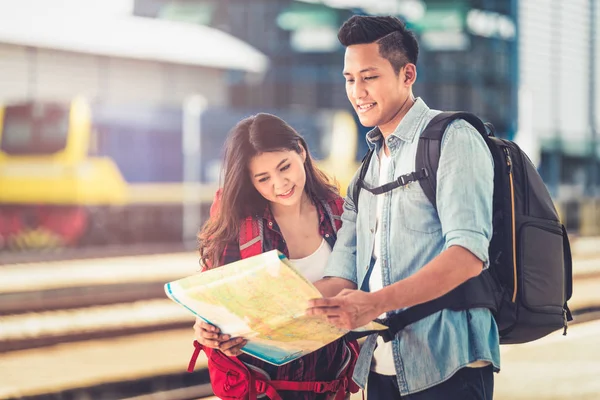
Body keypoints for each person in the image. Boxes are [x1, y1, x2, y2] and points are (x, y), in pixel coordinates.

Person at [307, 15, 500, 400]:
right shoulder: (365, 172)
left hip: (449, 368)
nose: (357, 91)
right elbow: (341, 275)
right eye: (349, 79)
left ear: (407, 74)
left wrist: (375, 303)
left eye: (370, 76)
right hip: (380, 370)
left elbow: (468, 254)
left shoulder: (453, 138)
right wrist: (248, 323)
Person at [192, 113, 358, 400]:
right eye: (263, 178)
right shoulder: (238, 228)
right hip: (262, 391)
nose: (280, 184)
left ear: (301, 152)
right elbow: (216, 303)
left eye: (285, 167)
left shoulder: (341, 215)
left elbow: (362, 285)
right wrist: (209, 332)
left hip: (330, 390)